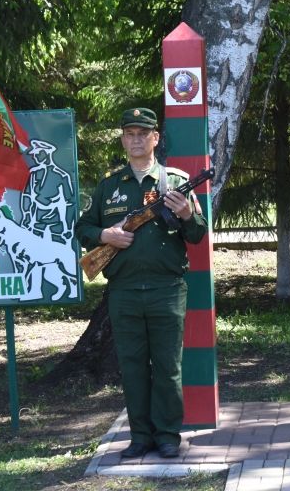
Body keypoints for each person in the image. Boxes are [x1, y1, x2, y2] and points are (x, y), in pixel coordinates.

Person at [75, 107, 208, 459]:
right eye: (129, 134)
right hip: (125, 292)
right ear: (123, 140)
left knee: (166, 367)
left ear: (155, 139)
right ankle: (140, 436)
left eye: (142, 133)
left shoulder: (175, 182)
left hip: (167, 289)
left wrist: (185, 214)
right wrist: (107, 234)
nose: (136, 139)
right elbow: (83, 229)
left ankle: (167, 436)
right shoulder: (108, 186)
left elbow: (197, 234)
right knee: (132, 366)